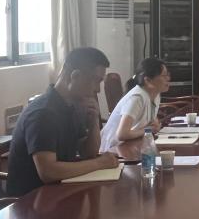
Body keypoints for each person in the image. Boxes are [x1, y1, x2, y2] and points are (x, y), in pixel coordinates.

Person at [6, 47, 118, 196]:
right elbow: (48, 172)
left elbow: (88, 153)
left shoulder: (71, 106)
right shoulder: (44, 112)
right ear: (75, 76)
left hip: (58, 193)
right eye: (96, 81)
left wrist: (93, 122)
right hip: (30, 202)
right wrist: (100, 163)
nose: (98, 90)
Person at [99, 58, 171, 152]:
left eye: (168, 74)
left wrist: (155, 123)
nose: (168, 78)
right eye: (164, 75)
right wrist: (148, 130)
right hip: (112, 150)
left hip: (131, 145)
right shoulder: (137, 98)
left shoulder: (155, 94)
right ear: (148, 80)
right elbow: (122, 134)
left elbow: (149, 119)